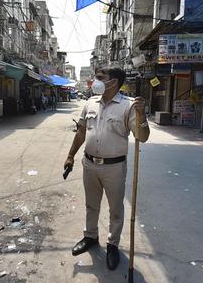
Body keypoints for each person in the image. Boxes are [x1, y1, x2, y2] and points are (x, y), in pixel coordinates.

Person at [63, 67, 149, 270]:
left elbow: (142, 137)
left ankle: (112, 245)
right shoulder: (90, 103)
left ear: (114, 82)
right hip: (89, 164)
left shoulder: (128, 106)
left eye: (100, 78)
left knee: (115, 209)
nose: (95, 81)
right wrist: (70, 156)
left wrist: (142, 114)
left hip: (114, 168)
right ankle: (90, 237)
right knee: (91, 205)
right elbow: (82, 131)